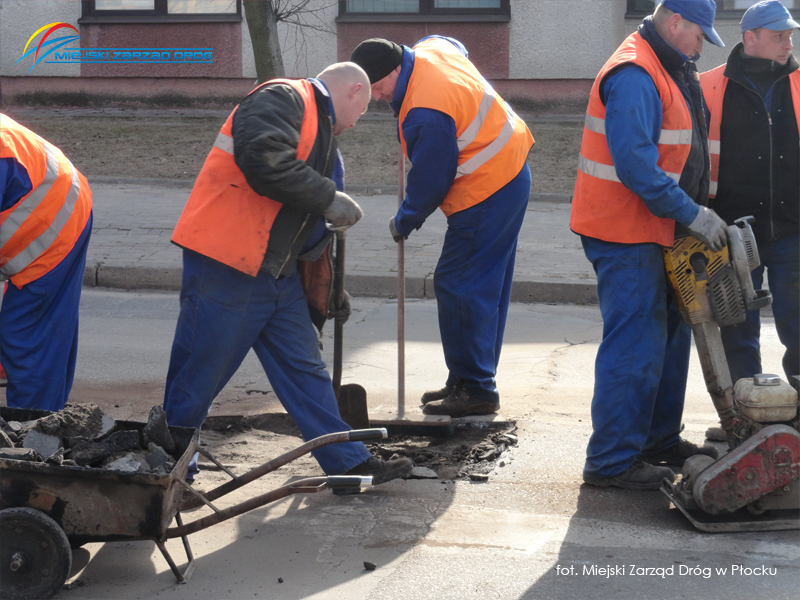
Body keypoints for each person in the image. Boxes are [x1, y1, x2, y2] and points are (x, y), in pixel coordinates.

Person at [163, 63, 412, 491]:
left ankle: (347, 464)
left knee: (305, 370)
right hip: (230, 263)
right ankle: (164, 473)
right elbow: (263, 160)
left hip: (273, 273)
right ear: (354, 90)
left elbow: (308, 227)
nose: (359, 120)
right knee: (199, 374)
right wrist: (328, 197)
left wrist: (331, 286)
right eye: (365, 108)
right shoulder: (282, 98)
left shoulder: (322, 137)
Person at [570, 0, 724, 491]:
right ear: (675, 22)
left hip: (658, 230)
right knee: (636, 345)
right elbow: (635, 166)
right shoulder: (635, 72)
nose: (703, 45)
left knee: (670, 340)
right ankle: (613, 461)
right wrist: (692, 213)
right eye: (701, 34)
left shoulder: (672, 65)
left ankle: (656, 441)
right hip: (624, 232)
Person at [350, 36, 534, 418]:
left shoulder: (424, 111)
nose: (382, 98)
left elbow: (433, 178)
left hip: (487, 188)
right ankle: (466, 380)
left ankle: (478, 389)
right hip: (509, 168)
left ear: (396, 69)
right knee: (483, 286)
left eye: (381, 88)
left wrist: (404, 220)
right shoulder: (430, 51)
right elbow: (455, 44)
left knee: (460, 284)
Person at [701, 0, 799, 392]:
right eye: (778, 36)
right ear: (750, 38)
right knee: (737, 327)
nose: (787, 43)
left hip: (793, 229)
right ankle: (747, 409)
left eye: (789, 36)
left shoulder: (797, 83)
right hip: (733, 233)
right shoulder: (709, 86)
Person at [1, 114, 93, 412]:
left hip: (54, 220)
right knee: (42, 332)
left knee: (29, 336)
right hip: (52, 193)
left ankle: (32, 435)